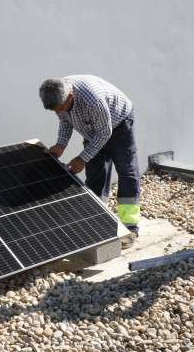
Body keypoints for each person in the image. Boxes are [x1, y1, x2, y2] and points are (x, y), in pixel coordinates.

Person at [39, 76, 140, 249]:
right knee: (95, 174)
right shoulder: (60, 94)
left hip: (119, 123)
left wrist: (83, 157)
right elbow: (65, 119)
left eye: (59, 108)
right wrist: (61, 144)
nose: (57, 112)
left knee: (127, 172)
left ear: (70, 97)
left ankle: (129, 226)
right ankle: (99, 220)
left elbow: (104, 133)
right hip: (94, 129)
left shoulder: (93, 99)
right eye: (54, 110)